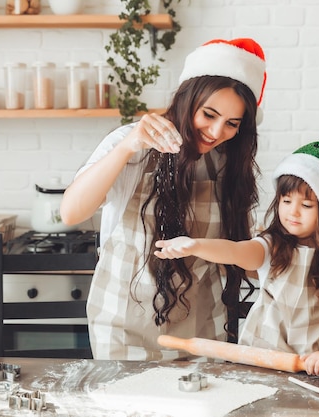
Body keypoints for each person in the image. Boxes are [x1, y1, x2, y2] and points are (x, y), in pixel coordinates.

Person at [60, 38, 268, 360]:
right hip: (124, 320)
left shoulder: (228, 161)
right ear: (187, 100)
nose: (215, 132)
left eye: (231, 124)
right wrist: (128, 146)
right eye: (208, 114)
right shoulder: (133, 143)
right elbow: (71, 212)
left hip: (202, 321)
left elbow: (243, 249)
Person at [155, 141, 319, 375]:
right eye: (286, 201)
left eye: (306, 205)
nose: (293, 211)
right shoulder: (271, 246)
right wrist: (196, 245)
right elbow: (237, 251)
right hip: (266, 363)